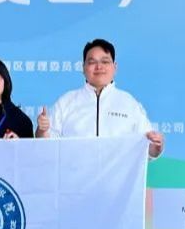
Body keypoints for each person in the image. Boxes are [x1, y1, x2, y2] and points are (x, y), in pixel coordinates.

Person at [36, 38, 164, 158]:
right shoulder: (66, 102)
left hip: (118, 175)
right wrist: (42, 131)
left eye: (105, 61)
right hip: (75, 175)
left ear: (115, 67)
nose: (99, 67)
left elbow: (147, 147)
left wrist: (156, 147)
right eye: (92, 62)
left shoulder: (129, 103)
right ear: (83, 68)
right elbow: (46, 145)